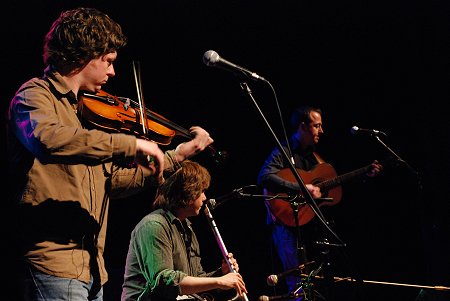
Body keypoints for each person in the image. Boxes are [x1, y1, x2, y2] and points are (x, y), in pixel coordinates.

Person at [7, 7, 214, 301]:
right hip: (51, 266)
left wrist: (175, 156)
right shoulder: (34, 96)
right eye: (107, 61)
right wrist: (129, 144)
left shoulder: (84, 115)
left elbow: (110, 183)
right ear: (82, 55)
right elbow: (48, 139)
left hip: (92, 271)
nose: (112, 71)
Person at [257, 105, 383, 293]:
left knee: (317, 280)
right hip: (286, 224)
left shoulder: (315, 157)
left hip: (311, 227)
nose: (321, 131)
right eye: (317, 126)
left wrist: (364, 174)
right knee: (297, 281)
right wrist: (301, 188)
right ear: (302, 127)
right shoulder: (284, 151)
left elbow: (331, 183)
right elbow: (264, 177)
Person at [121, 160, 247, 301]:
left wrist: (221, 274)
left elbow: (194, 278)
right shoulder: (154, 225)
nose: (205, 197)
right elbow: (164, 282)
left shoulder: (187, 229)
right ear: (188, 191)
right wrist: (219, 281)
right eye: (202, 191)